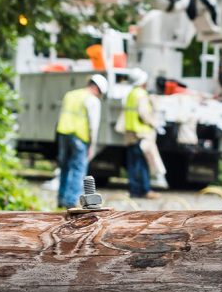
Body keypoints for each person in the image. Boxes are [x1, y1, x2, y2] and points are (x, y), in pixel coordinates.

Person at [55, 74, 108, 208]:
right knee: (78, 169)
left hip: (63, 133)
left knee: (65, 167)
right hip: (79, 136)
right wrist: (92, 146)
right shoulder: (92, 100)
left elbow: (61, 115)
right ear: (97, 88)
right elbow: (93, 125)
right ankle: (71, 201)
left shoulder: (70, 94)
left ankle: (61, 198)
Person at [121, 68, 159, 199]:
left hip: (130, 134)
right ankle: (145, 190)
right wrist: (154, 122)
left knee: (132, 164)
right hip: (141, 134)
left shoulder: (131, 94)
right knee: (142, 163)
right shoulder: (141, 94)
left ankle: (134, 190)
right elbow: (144, 113)